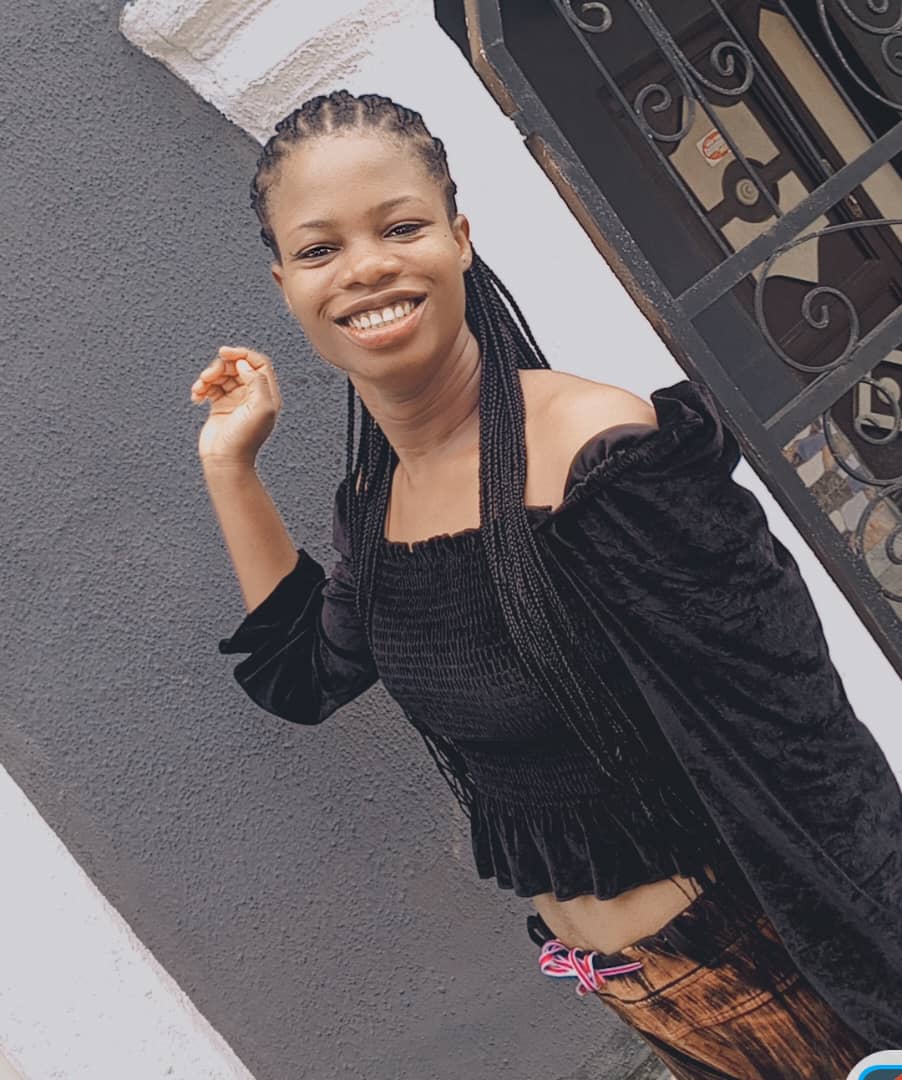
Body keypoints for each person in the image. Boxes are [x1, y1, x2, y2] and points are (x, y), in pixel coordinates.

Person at [191, 90, 902, 1078]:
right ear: (285, 284)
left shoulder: (598, 459)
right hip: (648, 1000)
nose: (365, 268)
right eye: (320, 249)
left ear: (459, 238)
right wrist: (231, 467)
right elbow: (305, 676)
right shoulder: (376, 506)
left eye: (400, 227)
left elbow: (803, 748)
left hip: (785, 978)